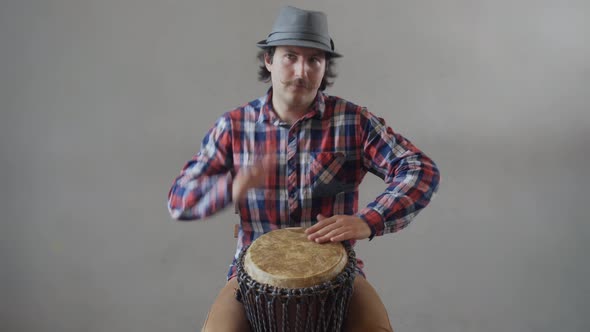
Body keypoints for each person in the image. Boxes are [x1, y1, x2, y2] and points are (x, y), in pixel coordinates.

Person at [167, 5, 440, 332]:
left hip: (339, 278)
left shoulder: (353, 121)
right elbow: (178, 201)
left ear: (325, 68)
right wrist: (232, 187)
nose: (301, 71)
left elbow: (419, 170)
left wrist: (370, 220)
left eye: (314, 60)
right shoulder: (233, 126)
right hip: (252, 280)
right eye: (290, 56)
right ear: (269, 60)